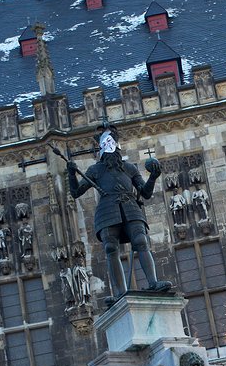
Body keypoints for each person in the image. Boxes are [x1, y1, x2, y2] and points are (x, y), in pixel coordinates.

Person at [67, 127, 171, 304]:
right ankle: (119, 292)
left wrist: (153, 176)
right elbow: (76, 192)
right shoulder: (95, 170)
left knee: (141, 241)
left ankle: (153, 283)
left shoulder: (129, 168)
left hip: (130, 208)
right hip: (107, 211)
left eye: (113, 146)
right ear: (102, 150)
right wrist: (71, 174)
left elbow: (145, 193)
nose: (111, 150)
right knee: (111, 249)